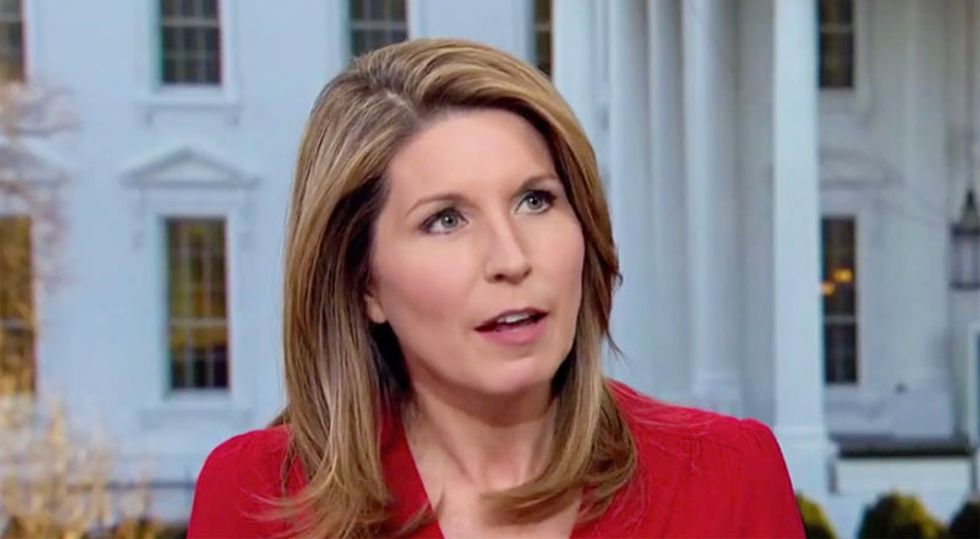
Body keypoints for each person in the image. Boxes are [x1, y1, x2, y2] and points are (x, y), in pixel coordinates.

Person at [187, 38, 805, 539]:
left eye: (535, 200)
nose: (511, 259)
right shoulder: (259, 497)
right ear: (364, 282)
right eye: (445, 220)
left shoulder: (726, 475)